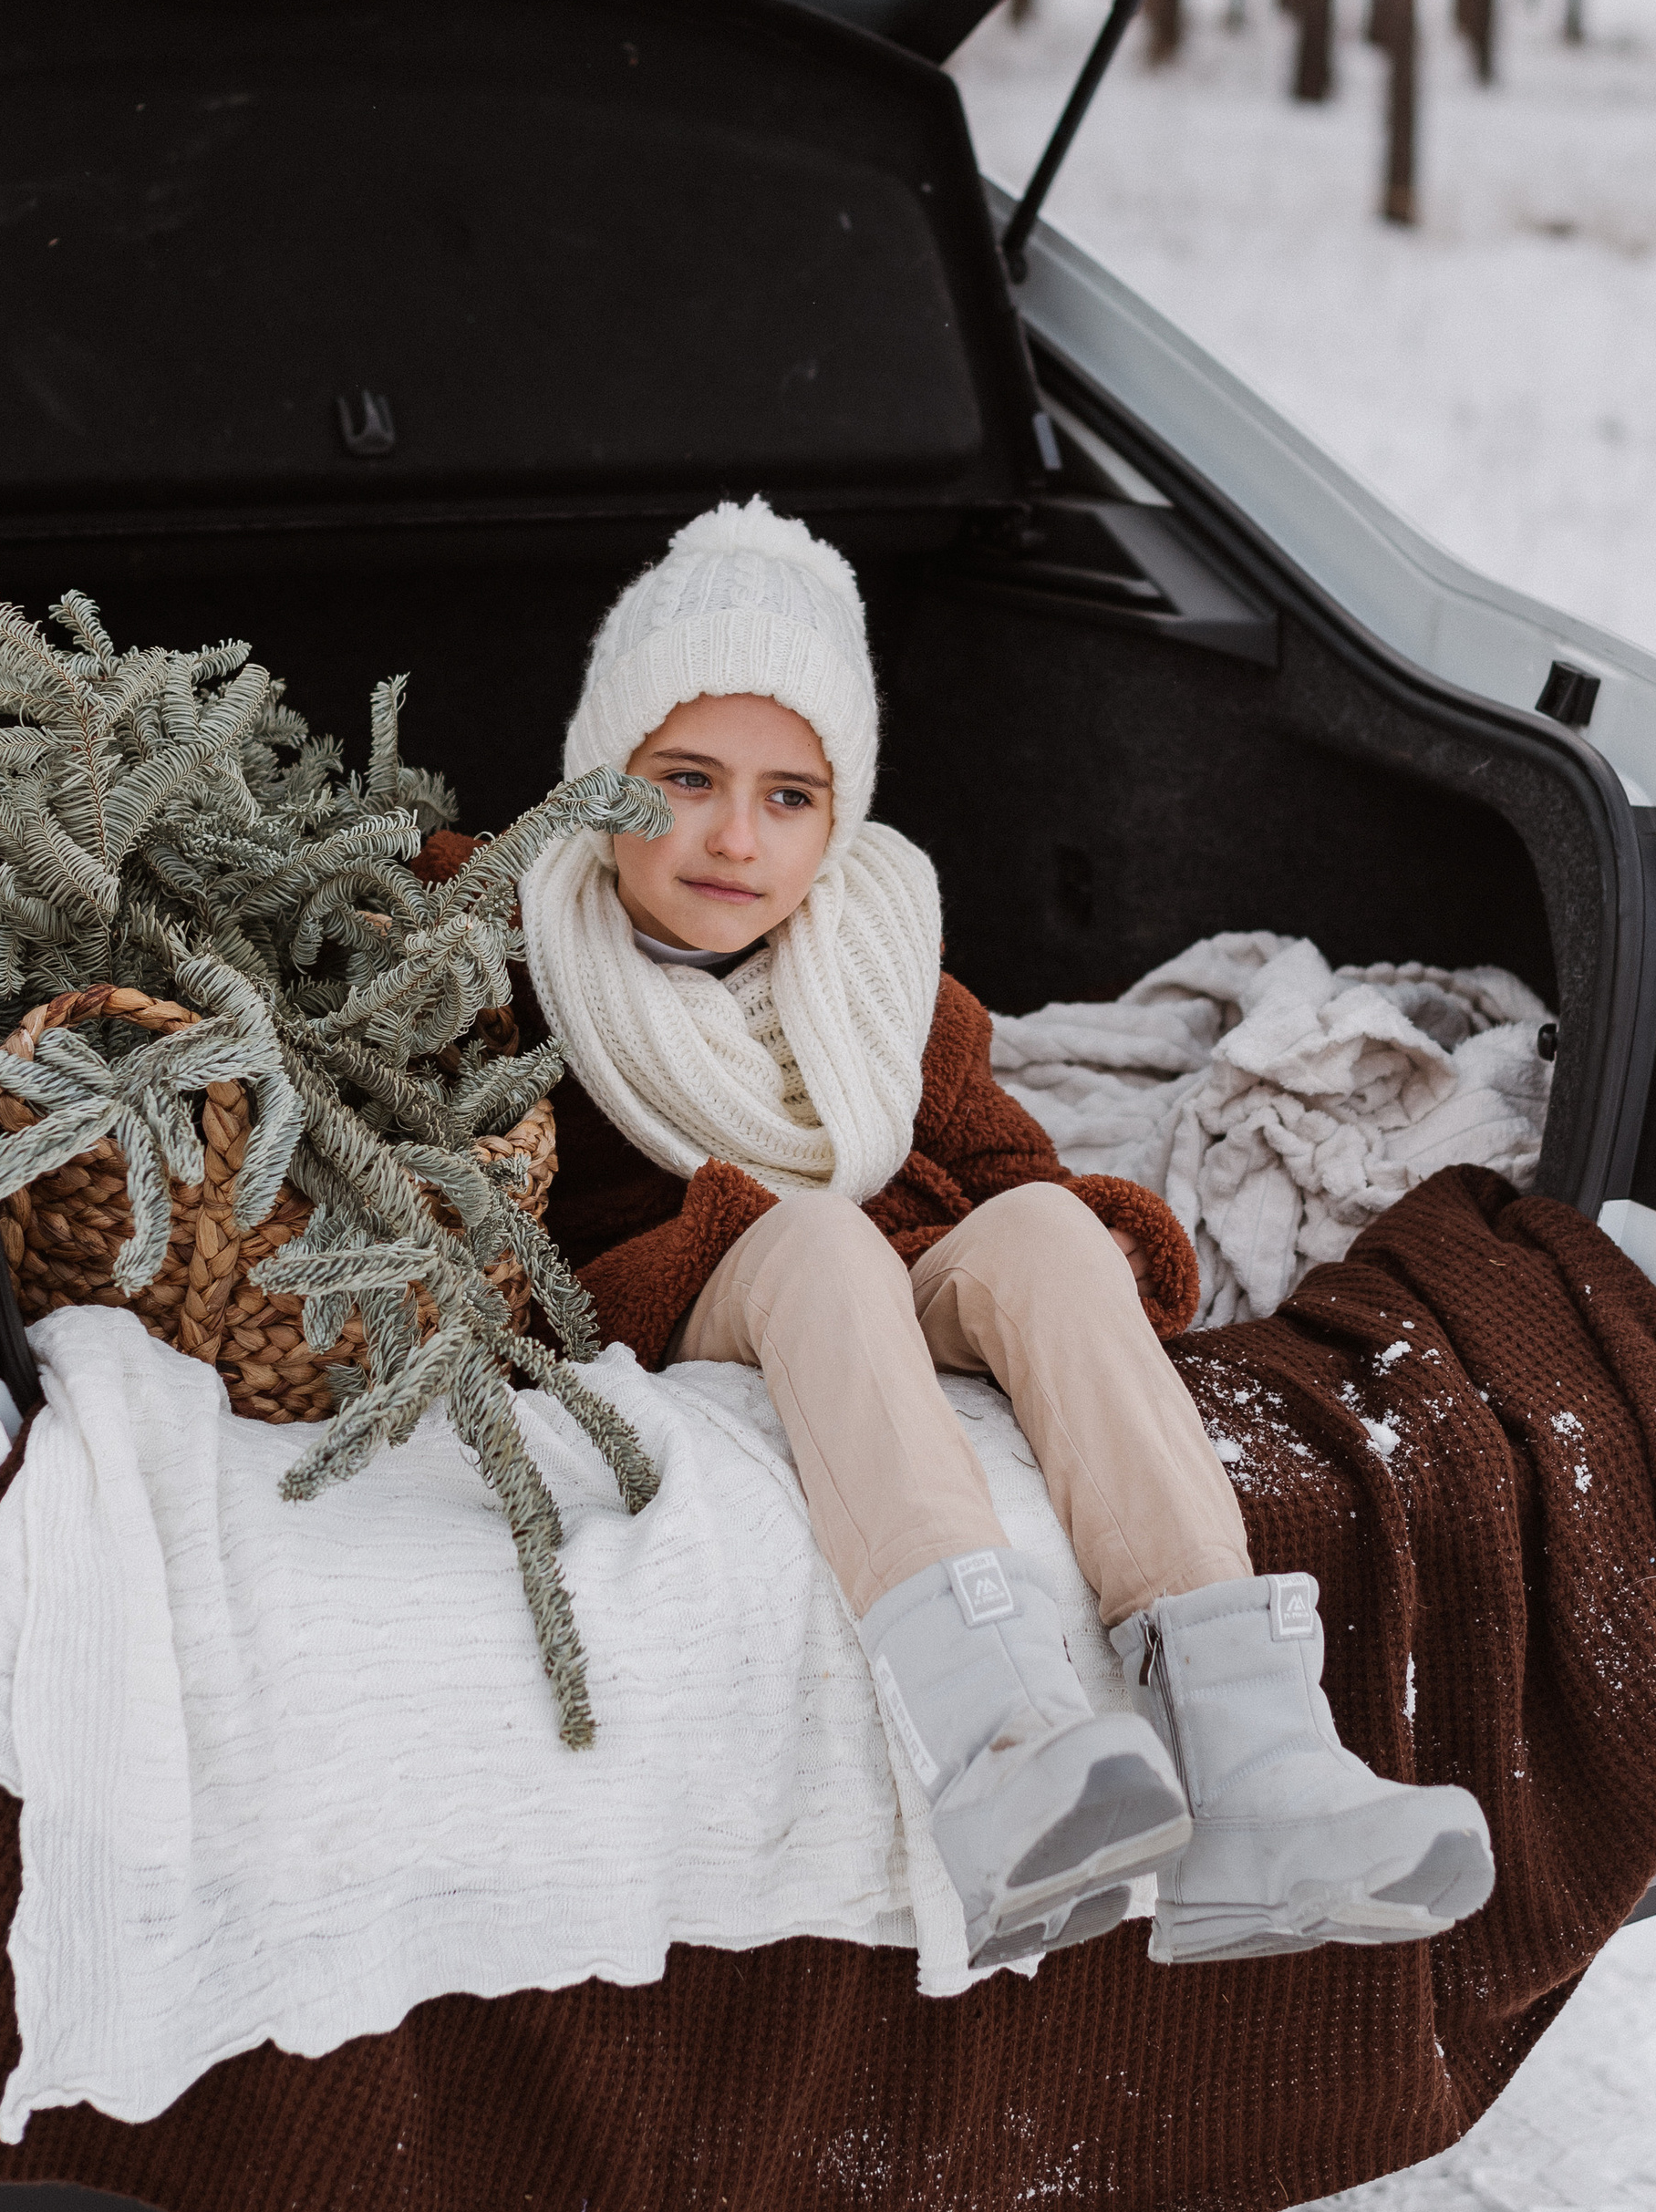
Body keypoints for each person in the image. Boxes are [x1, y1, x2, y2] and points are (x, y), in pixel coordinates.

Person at [516, 500, 1493, 1971]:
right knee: (821, 1244)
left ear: (838, 817)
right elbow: (495, 1224)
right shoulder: (521, 952)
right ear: (604, 781)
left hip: (881, 1268)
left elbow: (997, 1159)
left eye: (790, 796)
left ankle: (1259, 1765)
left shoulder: (882, 968)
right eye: (684, 780)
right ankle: (995, 1741)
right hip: (676, 1277)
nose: (734, 835)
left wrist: (1094, 1258)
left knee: (1033, 1221)